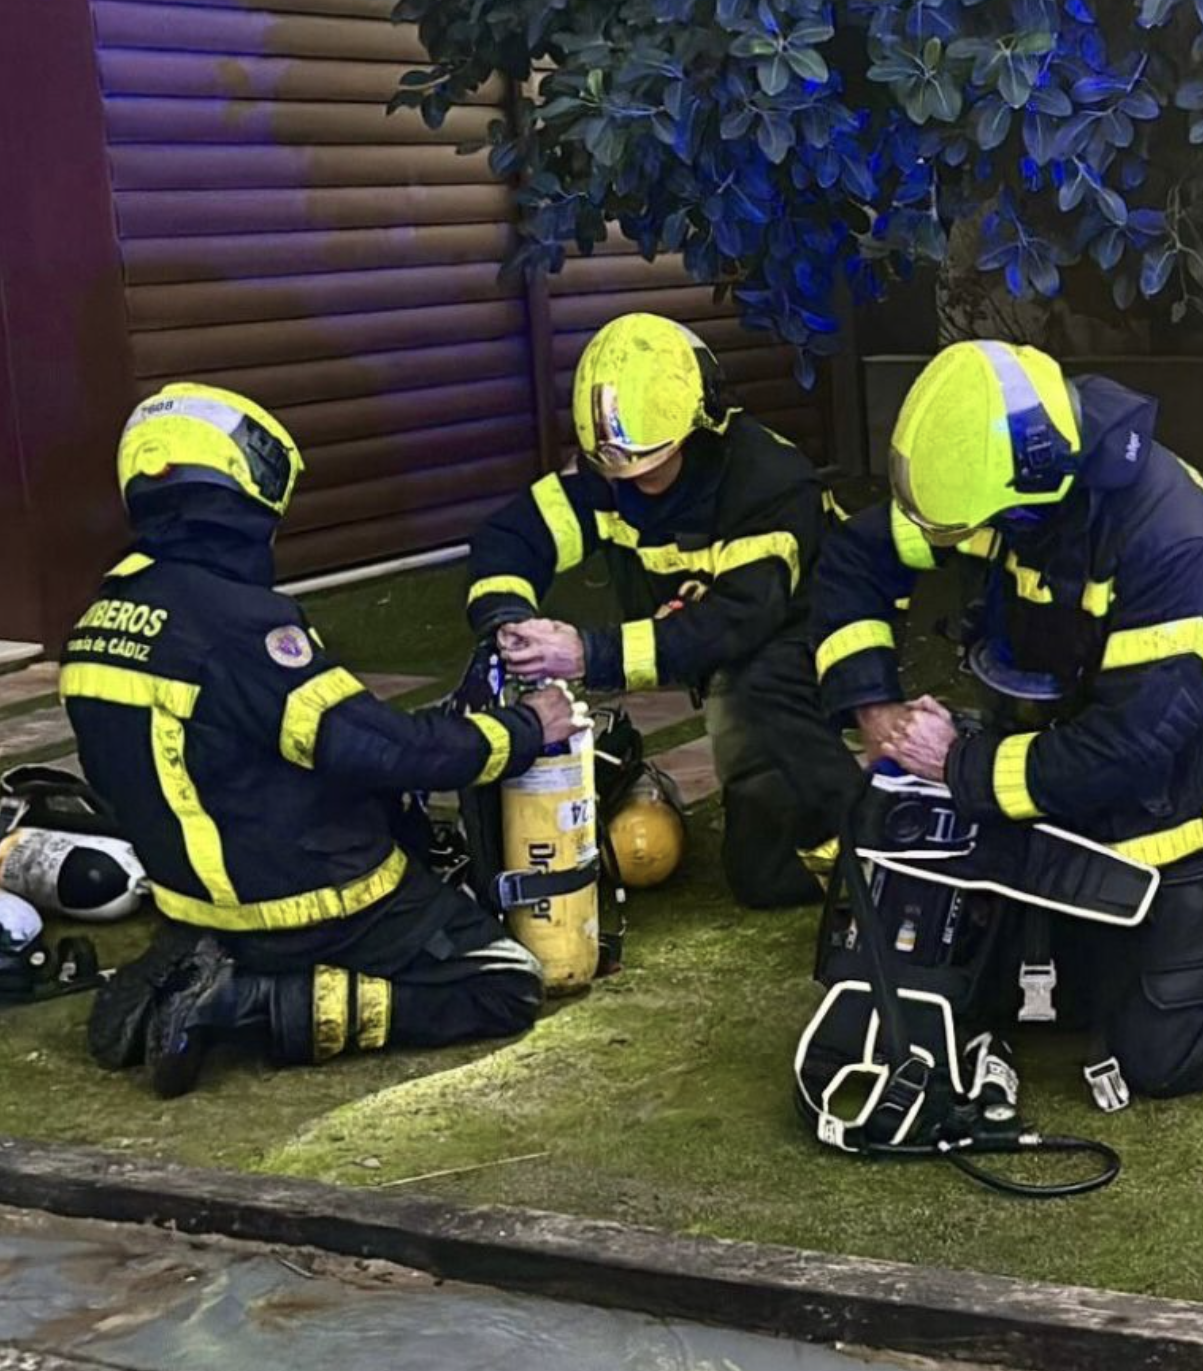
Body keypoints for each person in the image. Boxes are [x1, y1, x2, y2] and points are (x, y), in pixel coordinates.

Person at [809, 339, 1203, 1103]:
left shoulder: (1177, 543)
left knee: (1165, 1047)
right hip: (1035, 796)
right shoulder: (1004, 481)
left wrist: (958, 764)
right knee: (983, 997)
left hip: (1163, 822)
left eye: (966, 533)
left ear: (1031, 493)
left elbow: (1135, 748)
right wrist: (878, 710)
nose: (954, 546)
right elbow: (853, 563)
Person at [73, 383, 580, 1098]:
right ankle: (243, 1007)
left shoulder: (105, 613)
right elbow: (379, 750)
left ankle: (195, 964)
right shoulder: (242, 626)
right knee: (501, 985)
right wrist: (523, 730)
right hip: (313, 902)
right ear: (239, 491)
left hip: (192, 896)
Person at [465, 313, 862, 907]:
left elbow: (736, 623)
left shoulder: (770, 483)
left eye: (653, 466)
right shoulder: (610, 474)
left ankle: (875, 841)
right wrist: (507, 618)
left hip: (821, 629)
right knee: (758, 872)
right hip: (729, 644)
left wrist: (587, 653)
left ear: (697, 429)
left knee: (765, 693)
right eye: (620, 471)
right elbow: (511, 538)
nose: (637, 485)